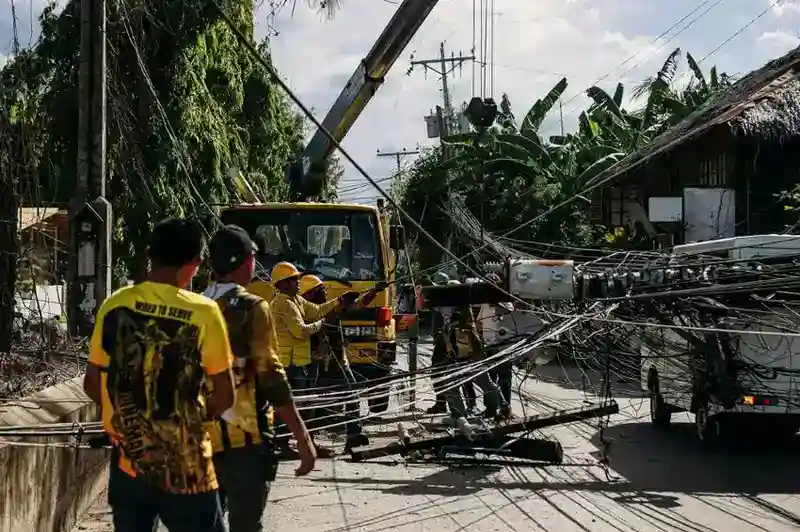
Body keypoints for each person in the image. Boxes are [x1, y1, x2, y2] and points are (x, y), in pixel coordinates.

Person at [82, 218, 235, 532]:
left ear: (150, 254)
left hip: (129, 461)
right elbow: (225, 394)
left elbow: (92, 383)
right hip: (186, 464)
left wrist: (128, 420)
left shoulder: (116, 304)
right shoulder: (204, 312)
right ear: (194, 264)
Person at [203, 225, 317, 532]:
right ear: (241, 261)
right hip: (246, 441)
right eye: (253, 256)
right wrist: (302, 437)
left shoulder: (193, 307)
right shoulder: (253, 307)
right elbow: (271, 377)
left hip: (199, 441)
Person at [269, 261, 360, 457]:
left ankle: (307, 444)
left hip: (301, 362)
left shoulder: (296, 301)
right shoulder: (283, 303)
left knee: (306, 405)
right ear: (283, 284)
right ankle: (282, 444)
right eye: (294, 280)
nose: (298, 283)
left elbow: (318, 310)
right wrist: (323, 323)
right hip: (290, 363)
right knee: (295, 405)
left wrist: (339, 301)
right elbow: (300, 331)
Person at [299, 274, 370, 452]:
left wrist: (374, 292)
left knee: (353, 393)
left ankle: (354, 435)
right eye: (320, 290)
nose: (325, 293)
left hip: (338, 362)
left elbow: (355, 306)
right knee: (311, 403)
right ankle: (310, 442)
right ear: (309, 295)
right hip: (316, 365)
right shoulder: (307, 314)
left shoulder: (329, 308)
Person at [441, 283, 512, 435]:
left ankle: (458, 415)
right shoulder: (459, 304)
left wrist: (451, 344)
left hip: (465, 347)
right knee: (482, 381)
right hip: (466, 347)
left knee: (452, 382)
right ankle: (502, 407)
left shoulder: (457, 306)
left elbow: (455, 326)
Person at [477, 272, 516, 409]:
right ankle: (491, 408)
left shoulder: (506, 304)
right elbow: (479, 324)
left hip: (503, 348)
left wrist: (498, 306)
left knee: (504, 380)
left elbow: (512, 322)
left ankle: (506, 409)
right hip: (488, 348)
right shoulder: (485, 305)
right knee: (489, 380)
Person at [425, 271, 453, 415]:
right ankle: (442, 403)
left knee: (438, 373)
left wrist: (447, 342)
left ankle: (443, 404)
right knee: (440, 373)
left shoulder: (446, 301)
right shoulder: (441, 300)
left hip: (444, 341)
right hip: (441, 340)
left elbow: (447, 324)